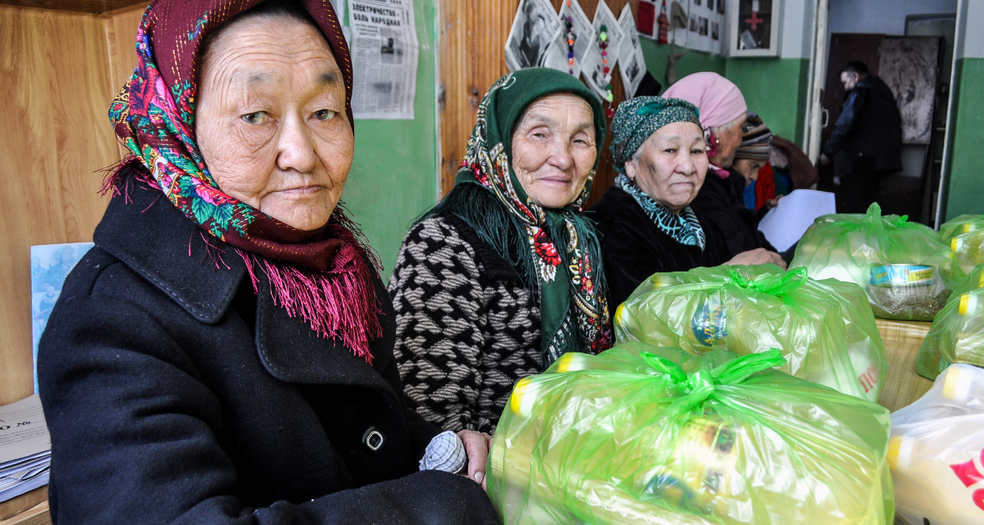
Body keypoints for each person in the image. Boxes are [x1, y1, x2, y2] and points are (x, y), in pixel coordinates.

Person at [36, 1, 500, 523]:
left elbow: (365, 431)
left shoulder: (334, 266)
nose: (301, 153)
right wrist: (437, 506)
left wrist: (441, 453)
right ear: (176, 122)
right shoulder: (111, 322)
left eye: (324, 111)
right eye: (255, 115)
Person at [390, 68, 613, 434]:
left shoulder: (578, 239)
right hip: (493, 479)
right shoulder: (443, 243)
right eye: (539, 134)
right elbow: (431, 418)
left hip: (576, 459)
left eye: (580, 140)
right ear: (499, 139)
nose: (562, 158)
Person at [589, 96, 785, 313]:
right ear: (630, 164)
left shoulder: (697, 222)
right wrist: (728, 275)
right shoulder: (613, 223)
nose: (687, 166)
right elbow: (641, 316)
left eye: (696, 151)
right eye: (670, 150)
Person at [663, 72, 784, 260]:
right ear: (715, 132)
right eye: (740, 128)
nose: (740, 140)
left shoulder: (718, 182)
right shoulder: (697, 190)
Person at [819, 60, 903, 213]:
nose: (846, 88)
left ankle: (857, 237)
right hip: (883, 160)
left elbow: (845, 126)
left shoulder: (860, 93)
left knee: (857, 206)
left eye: (846, 82)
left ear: (855, 77)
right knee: (870, 205)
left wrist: (828, 151)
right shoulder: (884, 94)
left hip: (864, 158)